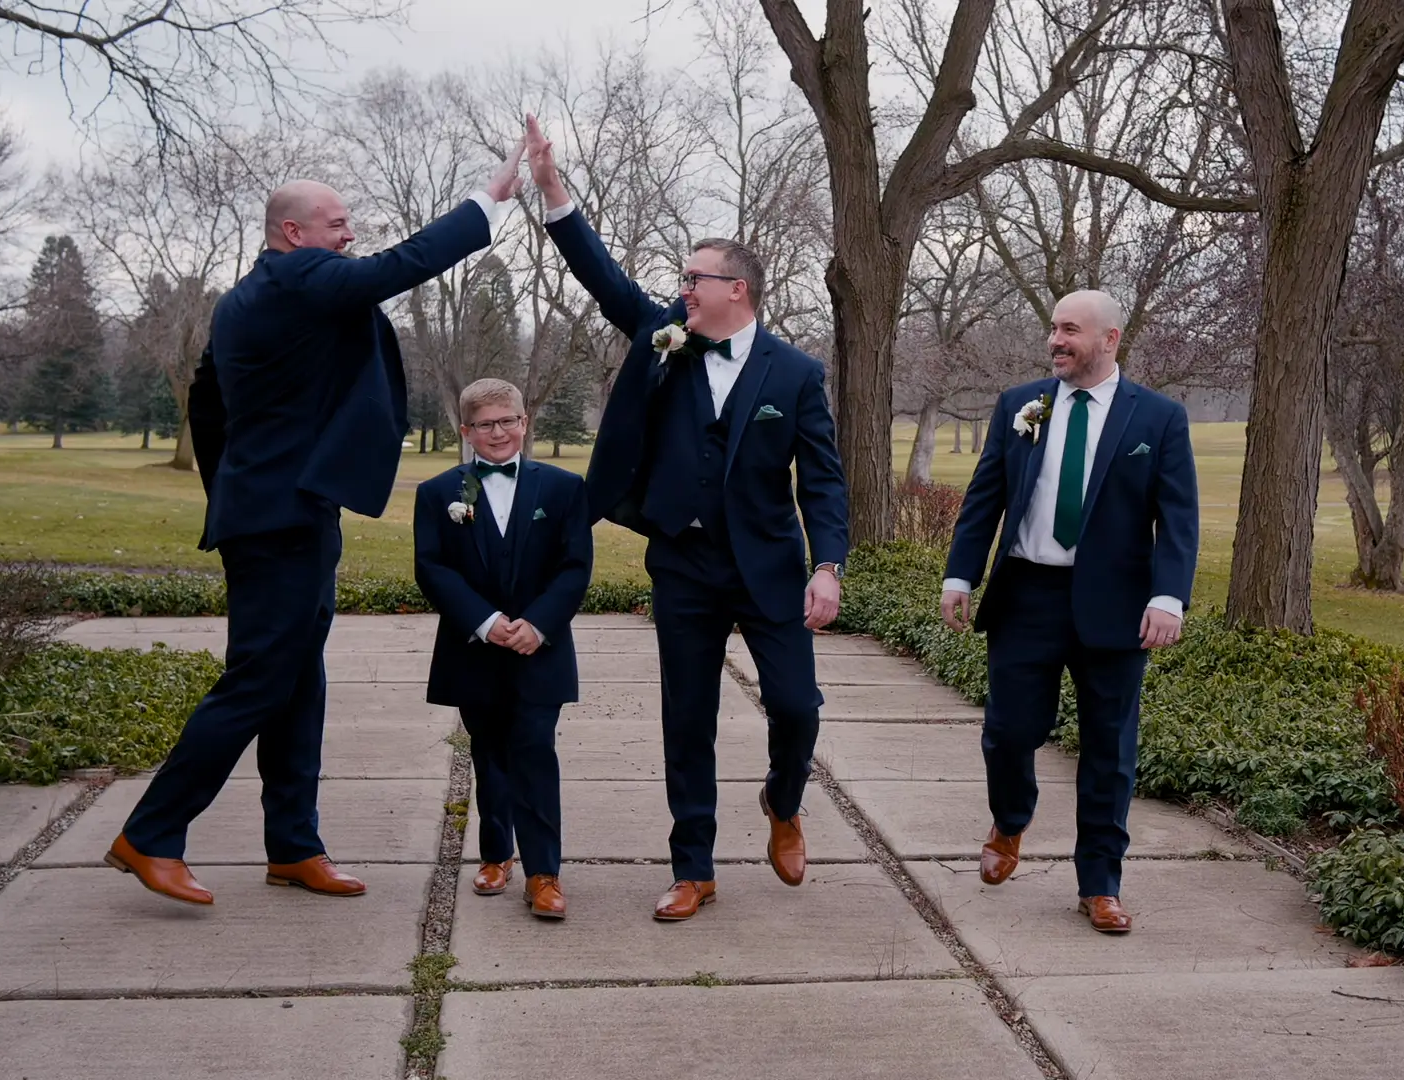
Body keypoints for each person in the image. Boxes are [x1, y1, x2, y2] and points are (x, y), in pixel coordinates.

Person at [104, 144, 528, 906]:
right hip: (279, 521)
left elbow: (208, 401)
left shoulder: (244, 300)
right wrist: (487, 201)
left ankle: (293, 845)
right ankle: (151, 834)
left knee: (300, 681)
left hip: (278, 508)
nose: (349, 235)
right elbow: (393, 268)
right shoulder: (295, 278)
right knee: (260, 679)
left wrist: (234, 487)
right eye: (336, 224)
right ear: (294, 234)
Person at [525, 115, 849, 922]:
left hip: (769, 565)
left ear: (736, 287)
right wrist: (554, 192)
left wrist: (827, 563)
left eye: (695, 275)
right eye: (682, 276)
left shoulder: (797, 373)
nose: (683, 285)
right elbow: (599, 277)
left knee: (798, 707)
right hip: (684, 564)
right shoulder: (664, 340)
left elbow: (824, 478)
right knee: (687, 721)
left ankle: (782, 802)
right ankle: (693, 867)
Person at [940, 289, 1199, 934]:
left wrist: (1168, 597)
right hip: (1027, 595)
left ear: (1110, 339)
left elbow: (1179, 518)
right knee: (1007, 731)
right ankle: (1010, 819)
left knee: (1109, 748)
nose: (1055, 340)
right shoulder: (1020, 406)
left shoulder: (1158, 419)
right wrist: (960, 574)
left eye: (1070, 331)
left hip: (1115, 607)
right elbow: (985, 498)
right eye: (1053, 328)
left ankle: (1100, 883)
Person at [413, 378, 592, 921]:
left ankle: (544, 873)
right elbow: (433, 568)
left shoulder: (562, 488)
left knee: (534, 748)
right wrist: (485, 622)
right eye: (486, 424)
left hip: (540, 646)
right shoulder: (439, 492)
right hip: (475, 647)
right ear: (466, 431)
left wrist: (537, 624)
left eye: (508, 420)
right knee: (489, 752)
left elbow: (574, 565)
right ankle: (495, 853)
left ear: (524, 422)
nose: (499, 432)